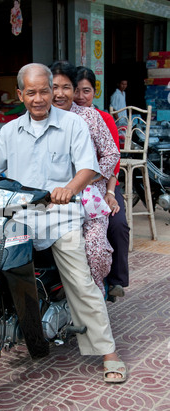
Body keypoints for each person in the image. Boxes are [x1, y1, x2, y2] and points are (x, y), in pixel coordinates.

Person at [0, 63, 127, 383]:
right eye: (32, 92)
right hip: (17, 215)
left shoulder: (73, 124)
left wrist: (69, 188)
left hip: (59, 217)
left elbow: (88, 167)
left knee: (81, 282)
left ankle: (108, 351)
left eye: (45, 91)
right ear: (20, 94)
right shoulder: (11, 130)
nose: (40, 98)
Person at [50, 60, 121, 297]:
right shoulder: (40, 117)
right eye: (54, 87)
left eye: (66, 87)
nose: (60, 94)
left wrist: (89, 178)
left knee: (96, 249)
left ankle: (97, 297)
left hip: (90, 197)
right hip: (53, 199)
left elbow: (112, 153)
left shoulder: (90, 116)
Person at [70, 65, 130, 299]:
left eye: (86, 91)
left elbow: (113, 158)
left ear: (94, 92)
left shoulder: (102, 118)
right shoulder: (64, 116)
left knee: (117, 224)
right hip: (73, 188)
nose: (80, 97)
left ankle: (115, 280)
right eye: (76, 90)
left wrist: (110, 192)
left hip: (104, 184)